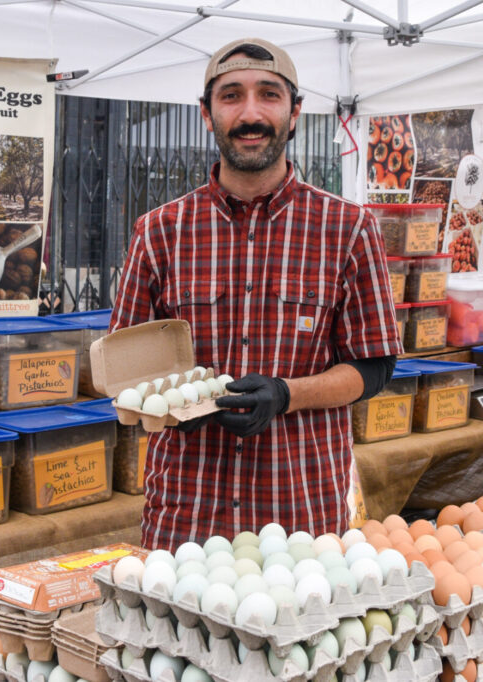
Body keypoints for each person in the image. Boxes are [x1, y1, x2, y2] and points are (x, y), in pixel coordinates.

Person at [110, 37, 402, 551]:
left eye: (269, 95)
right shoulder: (159, 232)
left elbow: (374, 368)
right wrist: (173, 401)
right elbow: (127, 371)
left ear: (295, 113)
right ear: (207, 114)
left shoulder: (349, 228)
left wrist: (287, 395)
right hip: (188, 509)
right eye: (231, 96)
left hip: (301, 511)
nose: (251, 113)